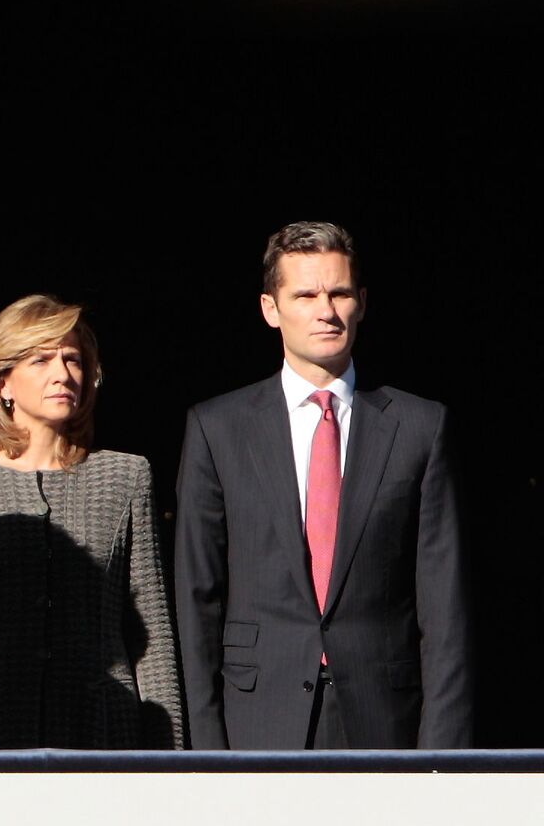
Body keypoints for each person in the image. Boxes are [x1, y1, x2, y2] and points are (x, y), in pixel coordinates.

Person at [175, 221, 470, 749]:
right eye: (306, 294)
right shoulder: (218, 428)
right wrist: (205, 750)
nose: (326, 311)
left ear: (362, 301)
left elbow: (444, 609)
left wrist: (441, 757)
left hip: (385, 717)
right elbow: (198, 600)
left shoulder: (420, 427)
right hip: (256, 716)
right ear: (271, 308)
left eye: (338, 293)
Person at [0, 296, 184, 749]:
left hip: (105, 730)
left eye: (73, 360)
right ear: (2, 382)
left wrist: (170, 753)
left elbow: (150, 628)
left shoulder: (124, 475)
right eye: (41, 360)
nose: (63, 374)